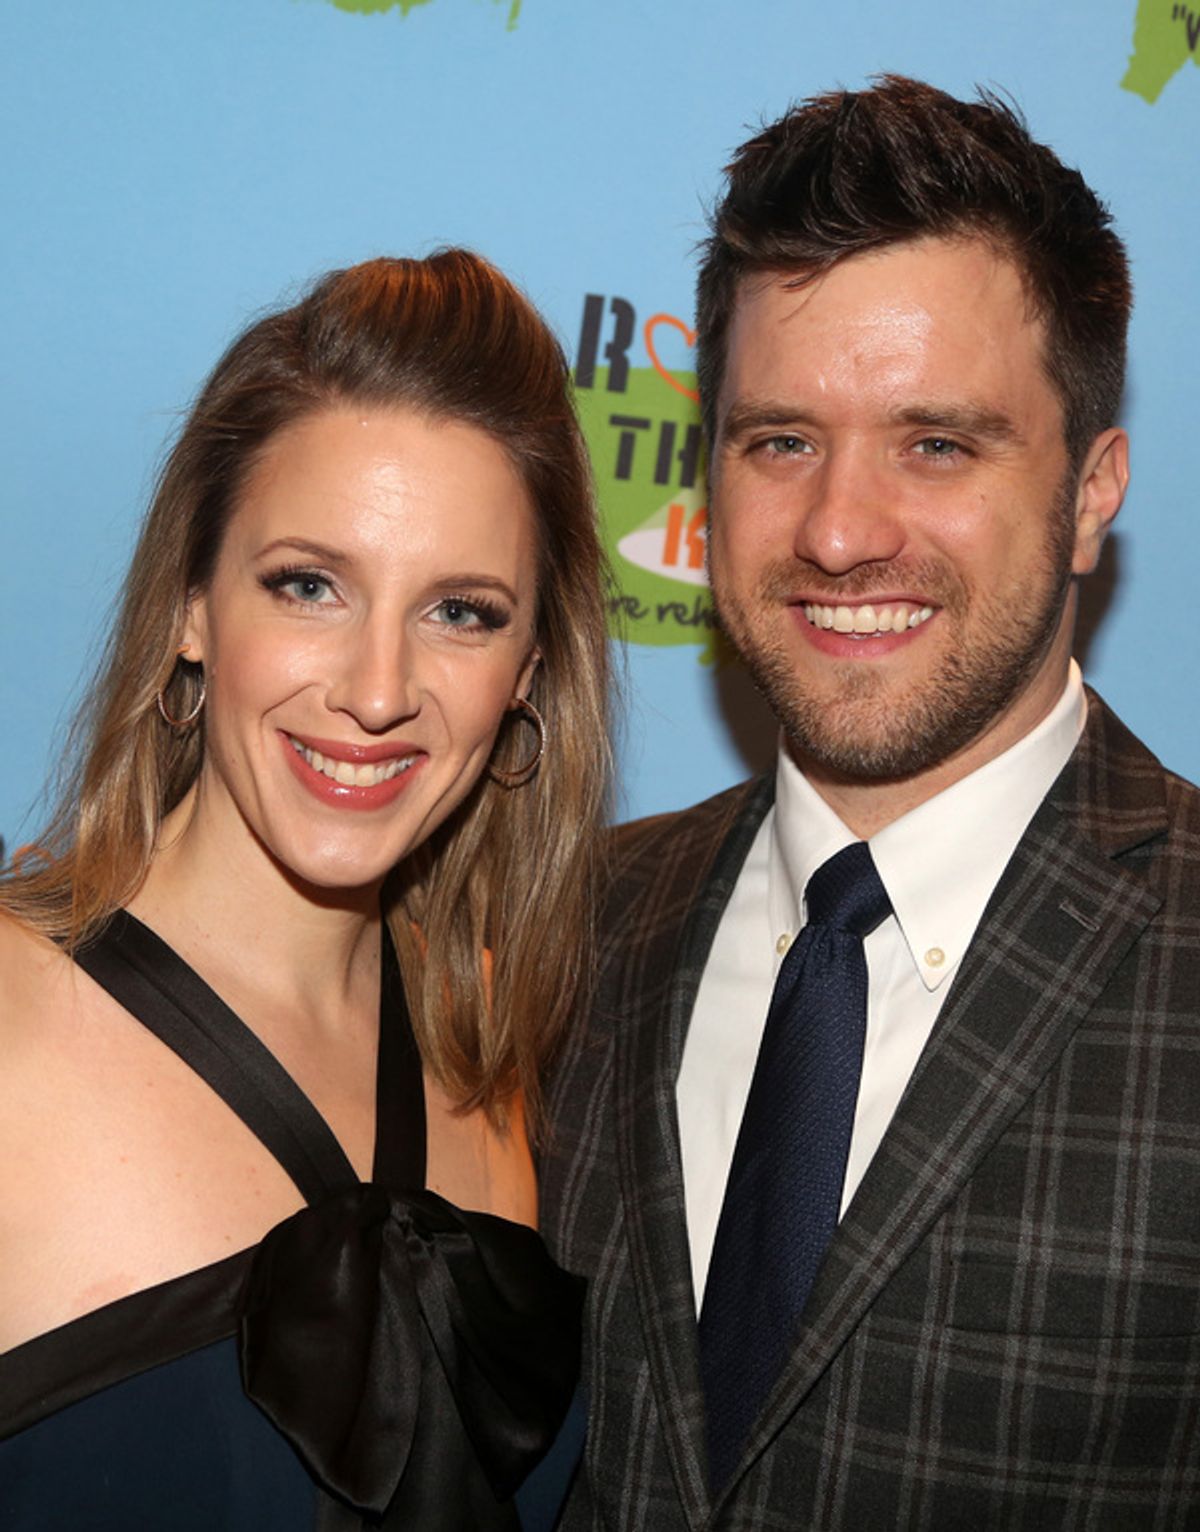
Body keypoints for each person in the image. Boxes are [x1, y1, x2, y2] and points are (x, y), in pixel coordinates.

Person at [541, 76, 1200, 1528]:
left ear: (1095, 492)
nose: (841, 531)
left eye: (938, 443)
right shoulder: (564, 930)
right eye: (781, 441)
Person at [0, 249, 609, 1528]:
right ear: (190, 604)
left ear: (530, 673)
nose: (378, 688)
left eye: (462, 611)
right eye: (309, 585)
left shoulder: (493, 1044)